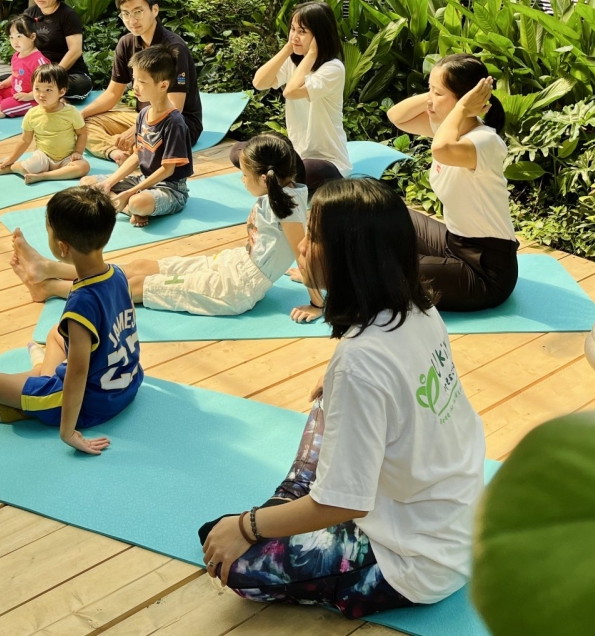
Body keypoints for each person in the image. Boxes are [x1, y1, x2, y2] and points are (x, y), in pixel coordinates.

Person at [198, 178, 486, 619]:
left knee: (228, 555)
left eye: (314, 236)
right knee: (325, 401)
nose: (302, 244)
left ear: (350, 257)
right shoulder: (419, 307)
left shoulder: (359, 363)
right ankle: (289, 499)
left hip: (415, 561)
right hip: (455, 521)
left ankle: (285, 507)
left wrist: (246, 526)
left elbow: (344, 503)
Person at [0, 186, 142, 455]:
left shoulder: (81, 303)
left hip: (93, 403)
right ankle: (41, 377)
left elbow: (77, 374)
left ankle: (39, 383)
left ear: (61, 247)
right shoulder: (117, 274)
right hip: (128, 384)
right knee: (55, 334)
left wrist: (68, 432)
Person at [119, 134, 323, 317]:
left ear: (264, 179)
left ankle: (98, 295)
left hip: (236, 288)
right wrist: (303, 273)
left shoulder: (286, 207)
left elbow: (302, 253)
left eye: (244, 174)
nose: (242, 180)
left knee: (137, 286)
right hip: (234, 262)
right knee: (140, 266)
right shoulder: (284, 190)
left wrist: (317, 304)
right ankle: (99, 275)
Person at [386, 54, 519, 312]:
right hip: (453, 242)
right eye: (429, 90)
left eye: (437, 93)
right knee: (386, 212)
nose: (429, 100)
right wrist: (436, 95)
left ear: (465, 100)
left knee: (384, 269)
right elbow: (396, 116)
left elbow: (441, 150)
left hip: (485, 271)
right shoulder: (449, 130)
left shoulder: (484, 141)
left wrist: (462, 107)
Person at [230, 1, 351, 196]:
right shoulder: (295, 61)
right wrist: (288, 48)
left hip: (327, 160)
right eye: (292, 29)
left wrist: (312, 54)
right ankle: (275, 180)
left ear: (319, 35)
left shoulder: (333, 68)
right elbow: (259, 82)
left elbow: (291, 91)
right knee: (239, 151)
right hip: (293, 155)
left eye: (302, 31)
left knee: (304, 171)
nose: (295, 36)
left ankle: (270, 180)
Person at [81, 0, 203, 162]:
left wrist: (137, 130)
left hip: (177, 124)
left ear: (155, 10)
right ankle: (116, 152)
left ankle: (126, 148)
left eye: (138, 12)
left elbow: (174, 107)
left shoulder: (175, 48)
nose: (132, 20)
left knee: (154, 138)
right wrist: (78, 116)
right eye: (125, 14)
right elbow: (112, 94)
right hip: (142, 117)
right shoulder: (126, 43)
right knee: (85, 124)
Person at [81, 45, 192, 227]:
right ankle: (126, 208)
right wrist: (110, 182)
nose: (135, 86)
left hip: (170, 189)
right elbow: (137, 155)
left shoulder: (174, 122)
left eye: (142, 81)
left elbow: (168, 170)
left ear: (163, 85)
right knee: (87, 183)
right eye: (134, 79)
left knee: (137, 202)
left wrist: (130, 192)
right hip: (143, 180)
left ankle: (128, 205)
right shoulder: (143, 114)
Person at [0, 64, 90, 184]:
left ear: (62, 91)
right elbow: (25, 140)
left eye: (48, 90)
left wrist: (78, 152)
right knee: (27, 167)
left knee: (83, 167)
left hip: (67, 157)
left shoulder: (71, 112)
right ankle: (13, 168)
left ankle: (43, 176)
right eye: (37, 89)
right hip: (43, 157)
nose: (41, 94)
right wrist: (10, 160)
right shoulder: (32, 114)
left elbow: (82, 133)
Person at [22, 0, 92, 101]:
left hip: (67, 73)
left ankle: (41, 94)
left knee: (80, 85)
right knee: (2, 80)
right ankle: (49, 95)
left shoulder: (68, 15)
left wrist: (52, 76)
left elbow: (75, 51)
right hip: (38, 73)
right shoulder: (29, 14)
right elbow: (24, 47)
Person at [0, 15, 49, 120]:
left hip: (34, 99)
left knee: (7, 104)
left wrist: (30, 96)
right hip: (15, 93)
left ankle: (2, 109)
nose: (15, 41)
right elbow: (15, 75)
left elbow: (47, 85)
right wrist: (4, 84)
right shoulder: (16, 55)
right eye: (11, 37)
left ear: (32, 37)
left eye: (19, 36)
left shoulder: (39, 61)